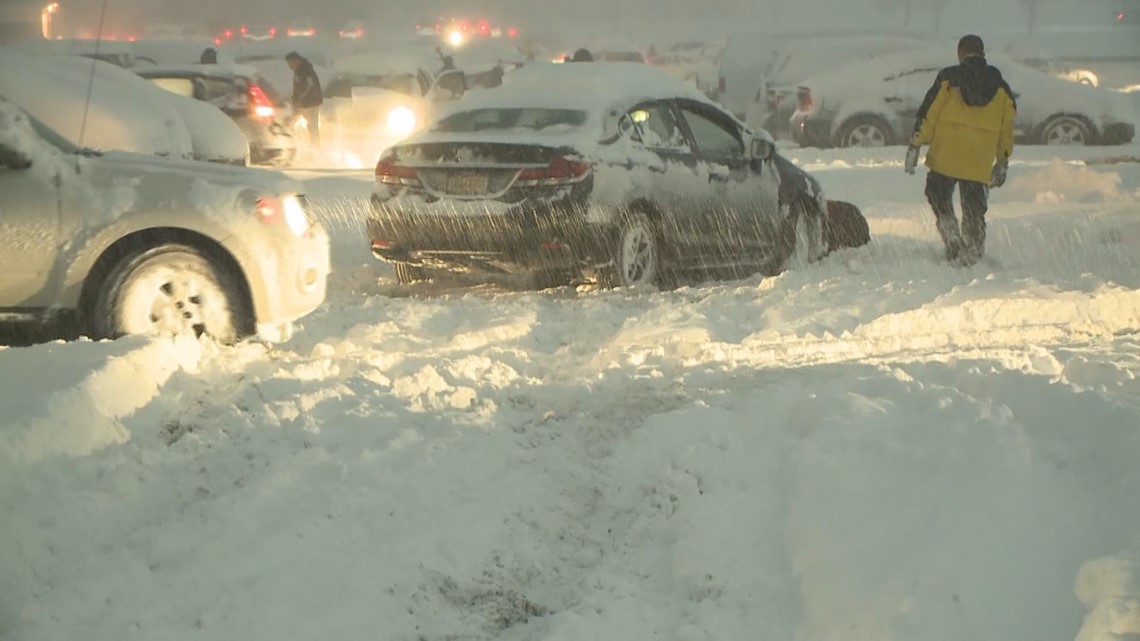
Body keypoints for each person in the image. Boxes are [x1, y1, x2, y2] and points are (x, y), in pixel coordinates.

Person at [905, 34, 1016, 266]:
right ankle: (973, 250)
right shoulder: (1001, 88)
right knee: (974, 207)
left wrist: (916, 143)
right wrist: (1002, 161)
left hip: (946, 153)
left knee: (937, 194)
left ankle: (951, 234)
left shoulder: (948, 79)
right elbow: (1007, 129)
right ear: (983, 54)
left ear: (960, 54)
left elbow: (929, 113)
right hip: (979, 158)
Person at [285, 51, 323, 147]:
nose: (289, 66)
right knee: (299, 123)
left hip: (312, 103)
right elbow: (298, 86)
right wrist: (295, 98)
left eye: (290, 63)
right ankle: (302, 144)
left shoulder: (306, 70)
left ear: (297, 61)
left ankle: (315, 146)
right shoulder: (298, 70)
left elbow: (310, 86)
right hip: (303, 103)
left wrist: (299, 99)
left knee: (312, 126)